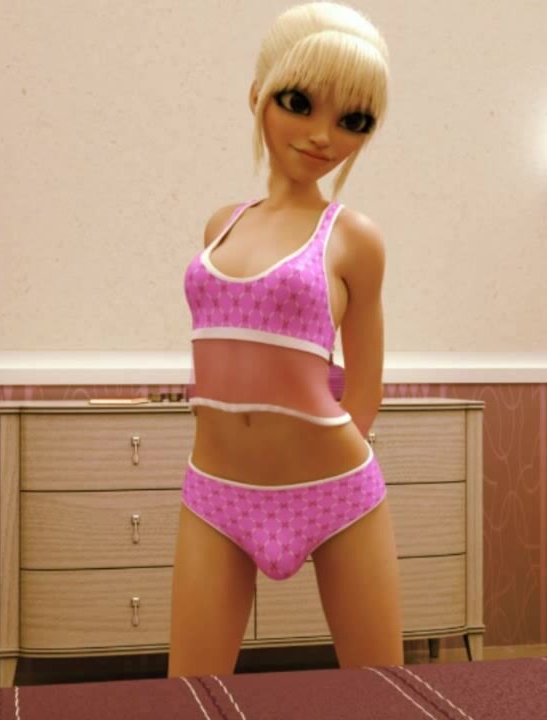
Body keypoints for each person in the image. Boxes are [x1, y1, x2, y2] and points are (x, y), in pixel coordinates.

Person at [169, 1, 399, 678]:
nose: (323, 136)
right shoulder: (220, 224)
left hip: (334, 489)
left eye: (353, 120)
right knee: (188, 696)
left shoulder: (354, 238)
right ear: (258, 96)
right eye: (299, 103)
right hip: (215, 491)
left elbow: (366, 388)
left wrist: (320, 468)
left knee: (380, 694)